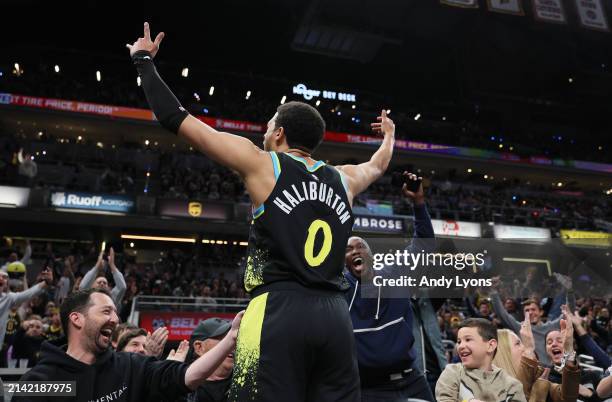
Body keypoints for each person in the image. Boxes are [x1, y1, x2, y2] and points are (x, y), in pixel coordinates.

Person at [127, 22, 395, 402]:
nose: (264, 132)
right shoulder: (344, 179)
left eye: (269, 126)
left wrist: (143, 62)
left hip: (276, 308)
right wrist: (389, 135)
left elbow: (177, 118)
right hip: (336, 315)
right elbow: (379, 165)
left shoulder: (263, 164)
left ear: (281, 133)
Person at [14, 288, 244, 402]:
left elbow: (188, 377)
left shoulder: (131, 367)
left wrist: (229, 340)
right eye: (106, 311)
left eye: (115, 312)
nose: (115, 319)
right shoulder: (39, 382)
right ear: (77, 319)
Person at [344, 173, 436, 401]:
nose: (356, 251)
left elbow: (424, 245)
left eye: (361, 247)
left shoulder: (395, 274)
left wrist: (418, 203)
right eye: (348, 249)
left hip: (411, 380)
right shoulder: (339, 289)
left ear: (371, 256)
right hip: (368, 388)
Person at [492, 310, 579, 402]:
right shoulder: (494, 389)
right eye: (518, 343)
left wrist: (569, 352)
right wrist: (529, 351)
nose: (524, 347)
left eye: (522, 342)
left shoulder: (538, 377)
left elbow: (568, 398)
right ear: (504, 353)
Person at [435, 318, 526, 402]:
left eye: (468, 339)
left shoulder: (512, 386)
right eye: (459, 341)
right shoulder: (452, 373)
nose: (461, 346)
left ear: (491, 346)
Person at [0, 268, 52, 367]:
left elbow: (29, 294)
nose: (2, 279)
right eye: (0, 276)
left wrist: (46, 282)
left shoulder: (8, 298)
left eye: (5, 277)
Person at [185, 318, 235, 402]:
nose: (232, 345)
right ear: (199, 347)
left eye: (233, 339)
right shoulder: (180, 389)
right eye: (223, 340)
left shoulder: (248, 383)